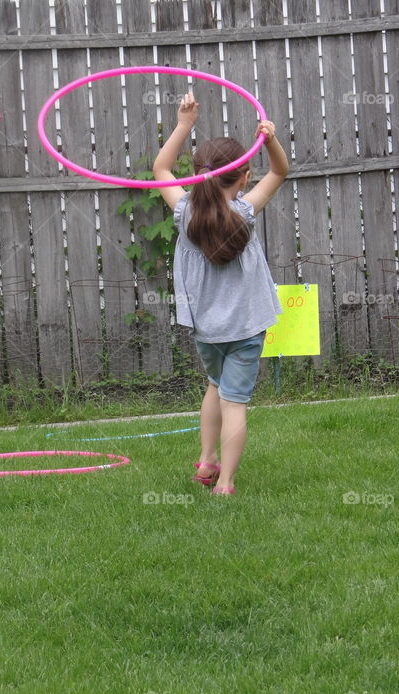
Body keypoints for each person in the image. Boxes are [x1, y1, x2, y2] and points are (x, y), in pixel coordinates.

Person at [152, 91, 289, 496]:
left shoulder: (183, 214)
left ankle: (207, 460)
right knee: (234, 402)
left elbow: (160, 167)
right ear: (244, 176)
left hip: (207, 329)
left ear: (197, 174)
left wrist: (183, 125)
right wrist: (271, 139)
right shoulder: (245, 212)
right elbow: (280, 172)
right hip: (246, 328)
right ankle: (225, 483)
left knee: (214, 384)